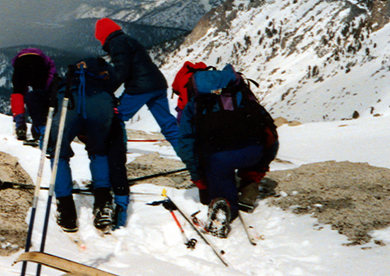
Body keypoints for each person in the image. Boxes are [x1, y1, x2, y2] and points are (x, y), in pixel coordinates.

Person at [177, 64, 279, 237]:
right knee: (248, 149)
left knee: (220, 184)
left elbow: (186, 146)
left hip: (219, 160)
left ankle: (225, 208)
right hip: (253, 152)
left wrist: (199, 179)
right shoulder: (242, 96)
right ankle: (249, 187)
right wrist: (258, 170)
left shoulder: (194, 105)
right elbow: (270, 133)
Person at [47, 57, 130, 232]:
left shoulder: (70, 76)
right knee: (99, 152)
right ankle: (103, 205)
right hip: (100, 103)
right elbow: (112, 84)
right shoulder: (104, 71)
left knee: (58, 154)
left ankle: (66, 211)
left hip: (68, 100)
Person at [95, 18, 184, 162]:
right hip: (158, 85)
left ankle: (118, 156)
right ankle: (191, 159)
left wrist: (107, 90)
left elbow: (121, 70)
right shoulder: (128, 39)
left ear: (103, 35)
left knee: (116, 116)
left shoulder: (116, 43)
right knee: (167, 123)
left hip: (140, 87)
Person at [9, 48, 56, 146]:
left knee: (17, 94)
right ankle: (37, 128)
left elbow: (14, 64)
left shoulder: (18, 59)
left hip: (20, 63)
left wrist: (22, 91)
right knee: (38, 97)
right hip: (38, 64)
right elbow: (52, 75)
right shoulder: (47, 61)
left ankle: (20, 125)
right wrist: (45, 90)